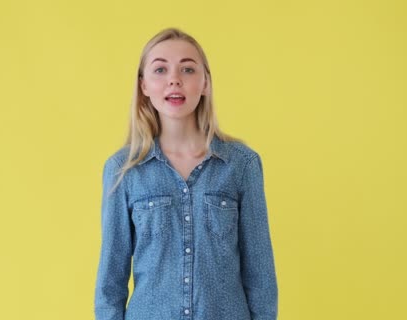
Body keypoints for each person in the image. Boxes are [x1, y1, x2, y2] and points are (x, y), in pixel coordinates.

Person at [94, 27, 278, 320]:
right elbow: (110, 282)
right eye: (160, 69)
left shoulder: (242, 165)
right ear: (143, 86)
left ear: (205, 82)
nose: (174, 80)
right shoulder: (123, 170)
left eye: (188, 69)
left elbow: (260, 273)